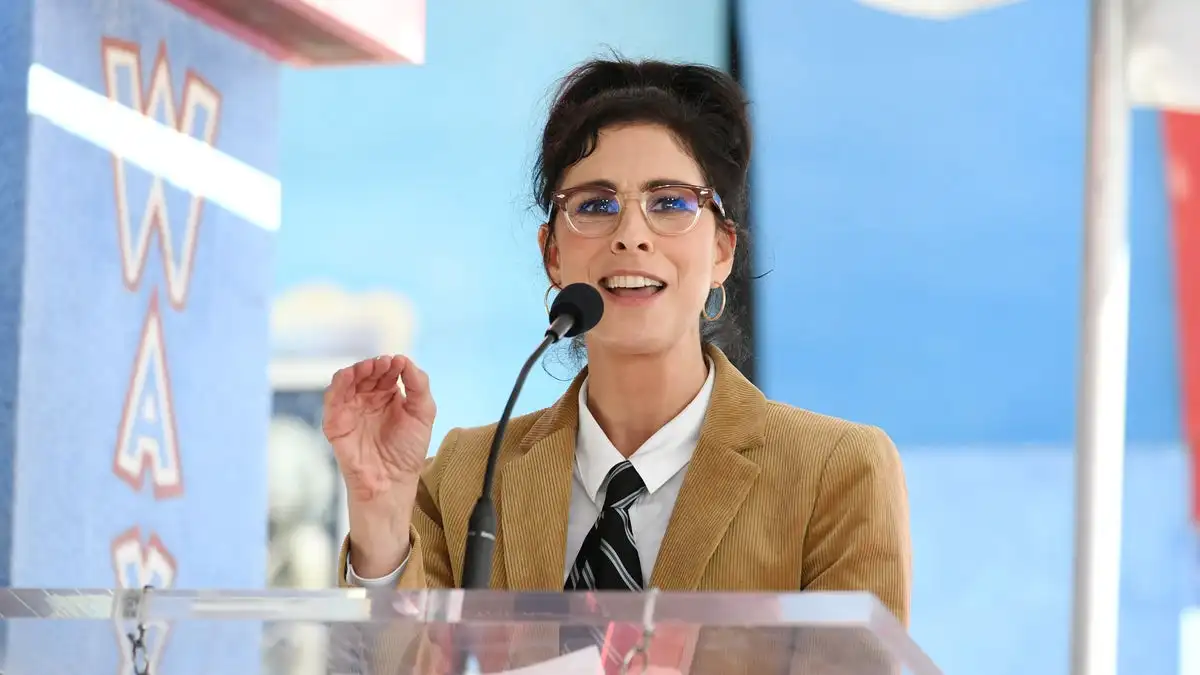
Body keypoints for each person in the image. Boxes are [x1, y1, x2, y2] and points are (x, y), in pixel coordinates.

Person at [324, 58, 911, 630]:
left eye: (671, 203)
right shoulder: (464, 477)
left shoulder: (835, 473)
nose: (632, 236)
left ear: (722, 251)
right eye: (597, 206)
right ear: (553, 254)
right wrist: (380, 518)